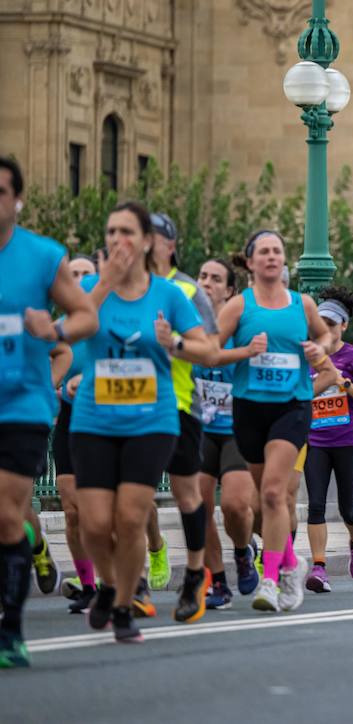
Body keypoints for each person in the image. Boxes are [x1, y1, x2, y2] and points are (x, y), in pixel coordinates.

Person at [71, 202, 218, 642]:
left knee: (135, 516)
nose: (119, 241)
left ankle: (133, 601)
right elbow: (73, 330)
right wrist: (104, 285)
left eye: (128, 232)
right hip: (95, 417)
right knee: (95, 523)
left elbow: (206, 350)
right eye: (111, 232)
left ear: (149, 242)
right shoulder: (92, 287)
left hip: (160, 413)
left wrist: (171, 341)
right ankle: (112, 583)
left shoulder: (175, 294)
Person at [0, 157, 99, 668]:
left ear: (16, 200)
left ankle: (9, 632)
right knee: (9, 521)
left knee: (3, 515)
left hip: (22, 404)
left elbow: (86, 315)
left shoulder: (41, 256)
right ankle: (34, 542)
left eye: (1, 191)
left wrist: (54, 332)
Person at [216, 229, 337, 613]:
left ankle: (270, 579)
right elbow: (211, 350)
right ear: (250, 262)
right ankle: (289, 561)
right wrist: (244, 351)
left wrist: (321, 347)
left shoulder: (302, 304)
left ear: (284, 261)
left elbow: (327, 338)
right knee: (256, 500)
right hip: (249, 408)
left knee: (272, 492)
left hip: (292, 406)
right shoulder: (238, 306)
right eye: (264, 252)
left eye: (277, 251)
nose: (272, 257)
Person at [141, 213, 220, 609]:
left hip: (178, 404)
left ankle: (193, 573)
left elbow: (211, 349)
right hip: (126, 407)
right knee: (130, 495)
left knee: (185, 493)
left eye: (151, 237)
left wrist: (173, 343)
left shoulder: (187, 291)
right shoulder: (121, 287)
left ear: (169, 245)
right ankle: (133, 581)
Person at [193, 257, 258, 609]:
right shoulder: (187, 325)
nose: (207, 283)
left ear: (230, 290)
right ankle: (217, 581)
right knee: (199, 506)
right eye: (202, 276)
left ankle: (243, 550)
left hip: (236, 427)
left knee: (234, 505)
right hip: (199, 427)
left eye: (216, 279)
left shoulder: (241, 327)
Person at [303, 287, 353, 594]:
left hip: (347, 440)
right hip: (315, 439)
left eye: (333, 324)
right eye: (322, 323)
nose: (328, 330)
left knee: (348, 508)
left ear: (343, 326)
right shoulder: (307, 354)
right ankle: (319, 567)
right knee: (316, 505)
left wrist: (342, 382)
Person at [51, 255, 100, 612]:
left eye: (87, 275)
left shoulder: (107, 324)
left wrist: (92, 379)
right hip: (69, 416)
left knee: (102, 509)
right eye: (74, 275)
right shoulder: (57, 327)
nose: (80, 281)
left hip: (107, 418)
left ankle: (119, 577)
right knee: (71, 508)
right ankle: (87, 584)